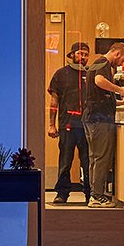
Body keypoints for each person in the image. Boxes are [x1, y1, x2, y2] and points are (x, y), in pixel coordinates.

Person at [83, 40, 124, 205]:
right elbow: (99, 81)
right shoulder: (103, 63)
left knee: (95, 157)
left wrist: (118, 102)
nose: (123, 63)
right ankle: (97, 195)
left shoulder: (98, 63)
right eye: (123, 59)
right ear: (117, 53)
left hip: (92, 117)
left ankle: (95, 193)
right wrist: (120, 89)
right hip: (99, 119)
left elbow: (98, 93)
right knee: (101, 157)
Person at [47, 41, 91, 204]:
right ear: (72, 55)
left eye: (86, 54)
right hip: (67, 125)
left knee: (87, 161)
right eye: (80, 53)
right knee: (65, 161)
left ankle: (89, 193)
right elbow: (54, 101)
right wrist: (51, 125)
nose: (83, 57)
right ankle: (62, 193)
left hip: (87, 126)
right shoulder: (60, 74)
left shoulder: (91, 74)